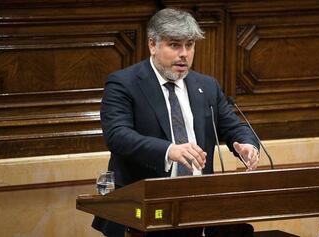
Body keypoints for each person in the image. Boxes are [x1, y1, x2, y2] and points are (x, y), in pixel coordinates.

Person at [92, 8, 260, 237]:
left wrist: (247, 145)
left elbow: (234, 127)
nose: (184, 54)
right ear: (153, 45)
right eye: (174, 45)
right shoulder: (124, 83)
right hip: (142, 209)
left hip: (197, 209)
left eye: (189, 45)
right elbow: (117, 136)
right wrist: (169, 150)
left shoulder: (207, 86)